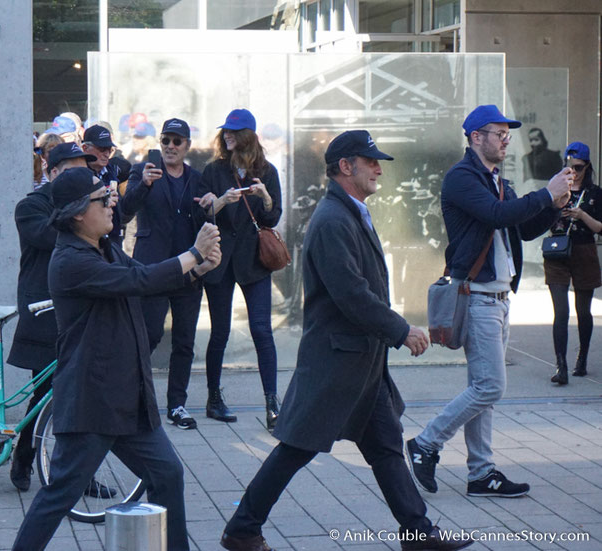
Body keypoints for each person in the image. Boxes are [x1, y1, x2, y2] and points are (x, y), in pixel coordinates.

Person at [220, 130, 470, 551]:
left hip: (361, 363)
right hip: (337, 364)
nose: (378, 167)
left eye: (378, 161)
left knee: (387, 447)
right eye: (369, 161)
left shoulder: (349, 212)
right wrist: (400, 330)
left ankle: (418, 533)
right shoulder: (333, 219)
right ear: (344, 167)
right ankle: (242, 529)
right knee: (296, 448)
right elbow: (351, 293)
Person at [11, 167, 221, 551]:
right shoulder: (70, 260)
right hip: (93, 399)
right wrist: (192, 253)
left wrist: (198, 270)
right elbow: (138, 283)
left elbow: (145, 275)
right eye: (102, 198)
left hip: (129, 396)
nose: (112, 203)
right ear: (77, 212)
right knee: (59, 494)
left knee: (168, 475)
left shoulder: (102, 247)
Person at [406, 105, 571, 499]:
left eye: (507, 134)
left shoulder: (498, 180)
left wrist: (555, 206)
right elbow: (497, 215)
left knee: (483, 388)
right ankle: (426, 443)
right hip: (477, 297)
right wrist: (545, 193)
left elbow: (521, 227)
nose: (505, 139)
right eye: (499, 134)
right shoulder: (462, 178)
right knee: (490, 387)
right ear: (476, 137)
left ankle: (481, 474)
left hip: (498, 298)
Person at [7, 142, 95, 490]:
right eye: (73, 171)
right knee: (44, 395)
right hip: (43, 312)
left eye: (85, 172)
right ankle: (24, 458)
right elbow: (49, 236)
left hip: (79, 310)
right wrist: (87, 215)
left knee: (82, 398)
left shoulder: (88, 206)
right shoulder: (31, 206)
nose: (83, 179)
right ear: (52, 171)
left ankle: (79, 474)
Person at [196, 108, 282, 429]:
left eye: (234, 131)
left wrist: (266, 197)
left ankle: (273, 403)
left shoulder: (268, 172)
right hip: (220, 259)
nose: (227, 135)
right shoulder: (214, 171)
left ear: (248, 136)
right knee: (219, 332)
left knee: (261, 329)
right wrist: (221, 201)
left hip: (254, 260)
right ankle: (213, 398)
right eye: (225, 131)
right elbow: (201, 215)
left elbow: (273, 218)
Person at [121, 118, 204, 429]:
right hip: (153, 266)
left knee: (184, 341)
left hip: (188, 269)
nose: (170, 146)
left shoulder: (196, 179)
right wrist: (145, 183)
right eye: (166, 140)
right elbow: (125, 211)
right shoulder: (142, 170)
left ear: (186, 146)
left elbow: (204, 217)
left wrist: (212, 204)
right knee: (149, 334)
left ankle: (177, 405)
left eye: (177, 141)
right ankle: (134, 396)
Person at [545, 141, 601, 384]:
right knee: (561, 311)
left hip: (584, 250)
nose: (574, 172)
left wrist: (581, 215)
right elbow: (541, 219)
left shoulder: (595, 193)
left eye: (578, 167)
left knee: (583, 310)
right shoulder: (556, 188)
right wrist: (555, 208)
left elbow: (600, 228)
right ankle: (561, 366)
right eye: (569, 167)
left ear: (587, 166)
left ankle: (582, 358)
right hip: (557, 252)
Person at [82, 124, 130, 246]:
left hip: (113, 241)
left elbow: (127, 167)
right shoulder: (78, 175)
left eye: (109, 149)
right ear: (85, 148)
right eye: (102, 149)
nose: (106, 153)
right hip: (90, 242)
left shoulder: (111, 170)